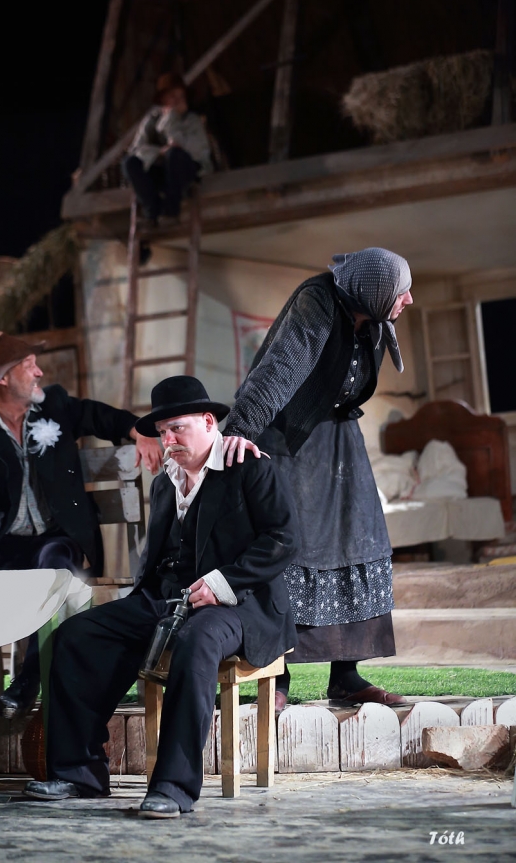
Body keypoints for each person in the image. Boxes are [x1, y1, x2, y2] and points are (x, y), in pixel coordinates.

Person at [23, 375, 297, 817]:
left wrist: (222, 583)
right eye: (163, 432)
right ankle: (79, 773)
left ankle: (173, 787)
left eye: (178, 428)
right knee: (76, 636)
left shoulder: (249, 465)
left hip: (239, 602)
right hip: (167, 598)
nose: (168, 440)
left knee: (196, 640)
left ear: (208, 422)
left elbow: (284, 540)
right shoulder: (165, 482)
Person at [222, 248, 414, 712]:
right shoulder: (319, 300)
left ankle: (345, 677)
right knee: (291, 547)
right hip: (291, 439)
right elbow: (279, 369)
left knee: (358, 541)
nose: (408, 300)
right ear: (372, 290)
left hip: (339, 440)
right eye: (400, 291)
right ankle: (276, 677)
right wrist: (240, 431)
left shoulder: (370, 316)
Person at [0, 331, 162, 719]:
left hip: (56, 539)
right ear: (3, 379)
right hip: (5, 543)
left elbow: (102, 417)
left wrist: (141, 431)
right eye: (29, 366)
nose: (39, 372)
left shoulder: (56, 405)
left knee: (55, 565)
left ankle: (28, 681)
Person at [122, 72, 213, 226]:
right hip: (159, 169)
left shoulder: (192, 121)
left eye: (181, 96)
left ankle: (171, 212)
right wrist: (159, 153)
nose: (178, 100)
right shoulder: (151, 120)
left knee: (174, 154)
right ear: (163, 99)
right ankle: (152, 211)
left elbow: (194, 150)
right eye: (173, 96)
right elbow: (136, 148)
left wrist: (171, 120)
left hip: (185, 172)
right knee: (129, 163)